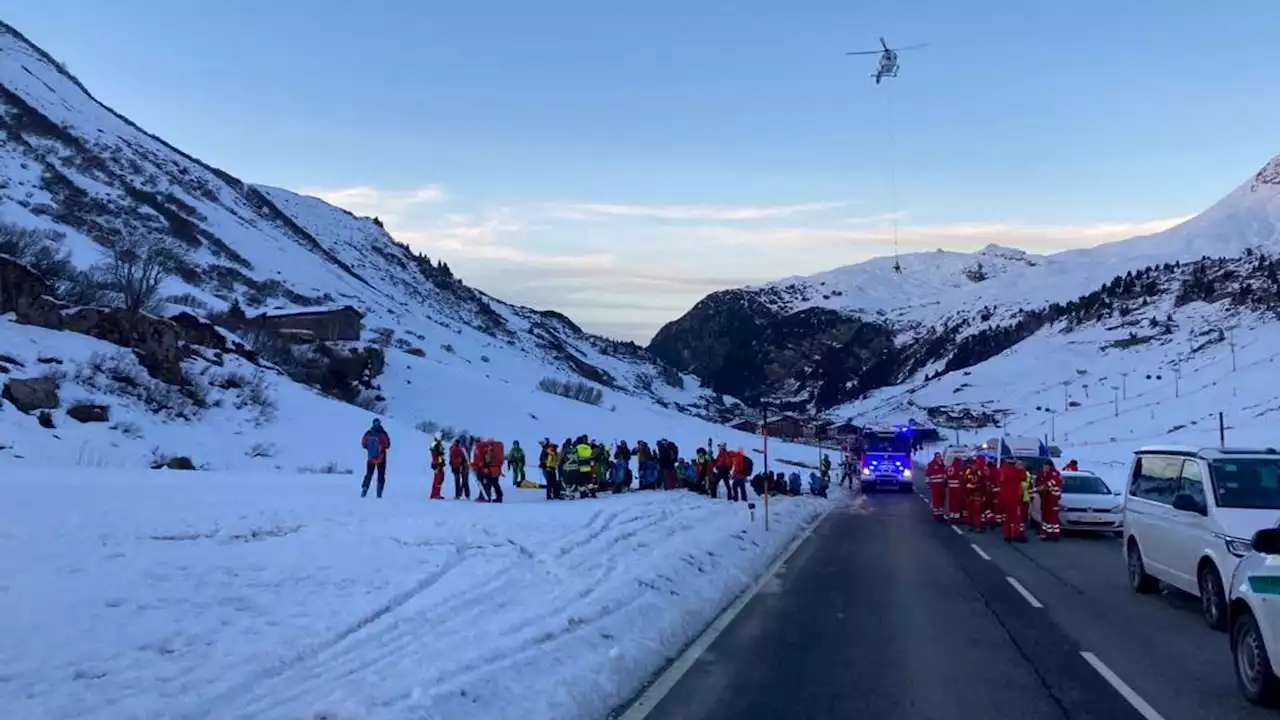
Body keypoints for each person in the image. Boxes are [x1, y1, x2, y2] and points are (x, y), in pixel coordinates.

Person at [360, 419, 391, 498]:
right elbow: (387, 445)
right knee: (381, 475)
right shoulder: (383, 433)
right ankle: (379, 491)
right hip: (382, 457)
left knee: (369, 474)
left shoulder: (369, 433)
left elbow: (363, 444)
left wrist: (370, 447)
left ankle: (364, 488)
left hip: (371, 457)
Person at [999, 459, 1028, 542]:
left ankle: (1007, 535)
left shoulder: (1003, 469)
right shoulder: (1015, 471)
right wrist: (1021, 468)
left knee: (1008, 517)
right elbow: (1023, 477)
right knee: (1016, 518)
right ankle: (1016, 535)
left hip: (1004, 497)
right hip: (1013, 498)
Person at [1037, 460, 1063, 541]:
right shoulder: (1043, 474)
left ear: (1050, 466)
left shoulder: (1054, 473)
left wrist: (1043, 486)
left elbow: (1052, 483)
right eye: (1044, 466)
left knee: (1053, 518)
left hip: (1053, 500)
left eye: (1046, 466)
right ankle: (1046, 533)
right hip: (1045, 499)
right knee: (1046, 518)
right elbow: (1039, 483)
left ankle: (1055, 534)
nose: (1045, 468)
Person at [965, 457, 987, 532]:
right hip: (969, 494)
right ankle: (971, 525)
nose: (974, 466)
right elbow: (964, 482)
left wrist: (983, 495)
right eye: (973, 465)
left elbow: (982, 484)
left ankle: (978, 526)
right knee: (970, 510)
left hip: (977, 494)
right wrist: (967, 491)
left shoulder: (979, 473)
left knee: (978, 511)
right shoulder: (968, 472)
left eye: (975, 465)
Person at [925, 452, 947, 522]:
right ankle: (936, 515)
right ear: (935, 457)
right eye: (937, 457)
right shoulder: (931, 464)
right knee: (936, 500)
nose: (938, 458)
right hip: (935, 485)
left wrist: (945, 483)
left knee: (941, 500)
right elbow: (927, 475)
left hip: (942, 485)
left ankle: (941, 514)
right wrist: (928, 483)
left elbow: (945, 474)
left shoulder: (942, 464)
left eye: (939, 457)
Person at [945, 457, 965, 524]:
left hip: (951, 488)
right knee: (956, 503)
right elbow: (961, 479)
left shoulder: (948, 468)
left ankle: (952, 516)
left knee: (951, 502)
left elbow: (946, 477)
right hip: (957, 488)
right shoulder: (959, 469)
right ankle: (956, 518)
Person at [429, 432, 446, 500]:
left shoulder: (436, 444)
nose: (442, 439)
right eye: (441, 437)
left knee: (438, 479)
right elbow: (436, 455)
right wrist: (439, 464)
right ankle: (436, 494)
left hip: (438, 464)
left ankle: (434, 494)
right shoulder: (436, 445)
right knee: (438, 479)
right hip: (438, 464)